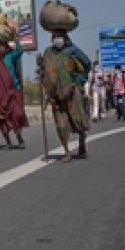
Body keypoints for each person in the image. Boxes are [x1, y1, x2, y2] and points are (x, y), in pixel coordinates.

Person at [38, 30, 91, 162]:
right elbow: (45, 72)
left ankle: (82, 141)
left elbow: (87, 65)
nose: (57, 39)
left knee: (78, 121)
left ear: (65, 38)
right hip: (55, 94)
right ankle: (66, 151)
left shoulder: (73, 51)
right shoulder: (48, 53)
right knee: (61, 124)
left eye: (59, 36)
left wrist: (78, 81)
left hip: (72, 92)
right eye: (54, 37)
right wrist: (41, 67)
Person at [0, 40, 28, 149]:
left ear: (6, 47)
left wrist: (15, 39)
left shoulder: (10, 56)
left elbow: (20, 50)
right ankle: (8, 141)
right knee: (2, 118)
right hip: (0, 95)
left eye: (2, 46)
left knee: (18, 114)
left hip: (13, 91)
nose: (0, 49)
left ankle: (19, 137)